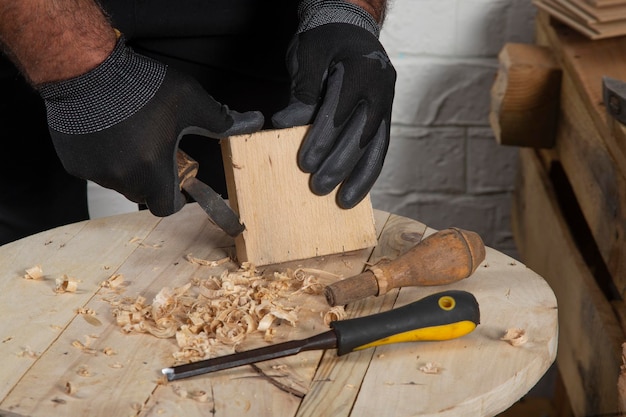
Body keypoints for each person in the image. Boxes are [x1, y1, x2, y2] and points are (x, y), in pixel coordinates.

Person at [0, 0, 396, 245]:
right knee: (21, 267)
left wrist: (346, 10)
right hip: (21, 17)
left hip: (237, 19)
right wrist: (82, 77)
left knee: (236, 252)